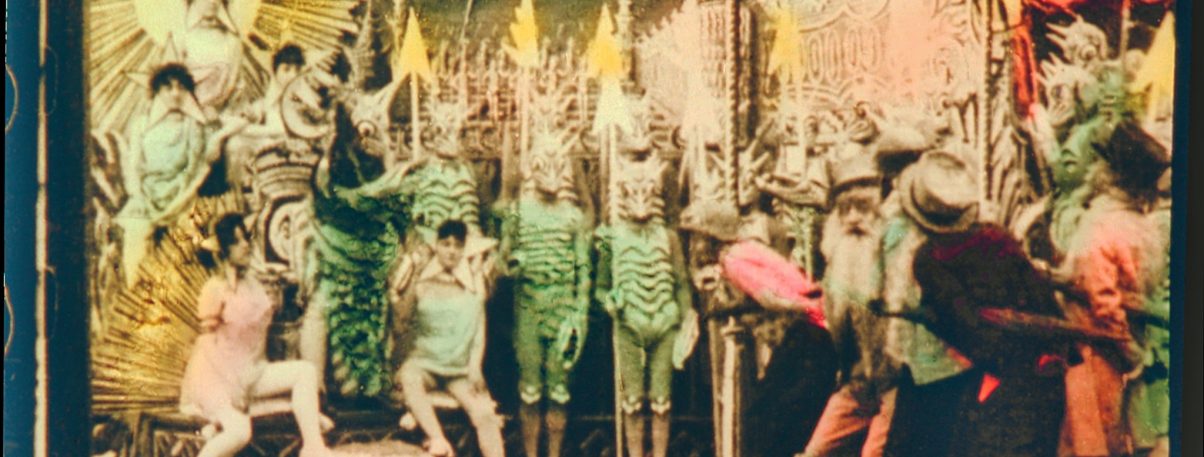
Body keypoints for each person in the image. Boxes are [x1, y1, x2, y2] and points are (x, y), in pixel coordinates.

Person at [1056, 119, 1170, 457]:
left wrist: (1127, 350)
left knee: (1091, 439)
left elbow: (1103, 300)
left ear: (1110, 174)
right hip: (1129, 343)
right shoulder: (1142, 224)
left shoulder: (1101, 225)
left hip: (1097, 350)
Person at [179, 213, 335, 457]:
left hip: (252, 371)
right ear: (223, 250)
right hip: (217, 378)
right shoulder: (214, 289)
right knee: (240, 431)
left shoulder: (253, 284)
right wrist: (231, 386)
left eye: (246, 238)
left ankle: (314, 447)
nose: (245, 245)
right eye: (236, 241)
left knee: (305, 371)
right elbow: (207, 345)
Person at [801, 154, 899, 457]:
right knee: (815, 452)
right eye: (847, 210)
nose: (855, 218)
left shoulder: (896, 254)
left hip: (897, 383)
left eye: (863, 208)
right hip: (857, 383)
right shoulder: (838, 263)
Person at [114, 63, 248, 287]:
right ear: (157, 91)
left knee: (191, 242)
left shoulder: (194, 124)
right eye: (168, 88)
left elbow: (237, 125)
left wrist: (218, 137)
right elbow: (133, 166)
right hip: (147, 197)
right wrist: (138, 196)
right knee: (136, 236)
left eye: (181, 87)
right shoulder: (142, 124)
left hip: (184, 195)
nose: (175, 93)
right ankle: (135, 294)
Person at [395, 220, 505, 457]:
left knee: (485, 413)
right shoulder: (423, 280)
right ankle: (438, 440)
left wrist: (475, 365)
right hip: (426, 364)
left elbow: (478, 328)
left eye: (457, 245)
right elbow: (401, 319)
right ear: (436, 245)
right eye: (446, 244)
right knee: (409, 377)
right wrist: (414, 278)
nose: (452, 251)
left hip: (459, 370)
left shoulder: (473, 281)